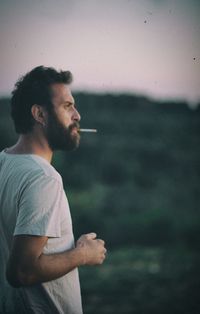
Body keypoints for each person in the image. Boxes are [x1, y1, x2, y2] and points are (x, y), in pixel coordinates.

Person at [0, 66, 107, 314]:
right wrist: (83, 254)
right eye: (68, 106)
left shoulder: (4, 162)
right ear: (40, 114)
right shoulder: (43, 178)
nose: (77, 116)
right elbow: (22, 272)